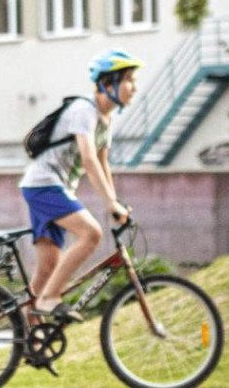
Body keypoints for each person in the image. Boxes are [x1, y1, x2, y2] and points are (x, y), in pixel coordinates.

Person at [19, 51, 142, 348]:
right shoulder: (83, 110)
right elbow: (88, 159)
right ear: (108, 83)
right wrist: (109, 204)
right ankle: (49, 299)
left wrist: (114, 201)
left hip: (52, 187)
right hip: (44, 185)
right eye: (128, 80)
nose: (134, 87)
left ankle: (29, 337)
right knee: (91, 233)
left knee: (48, 266)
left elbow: (103, 162)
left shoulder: (105, 119)